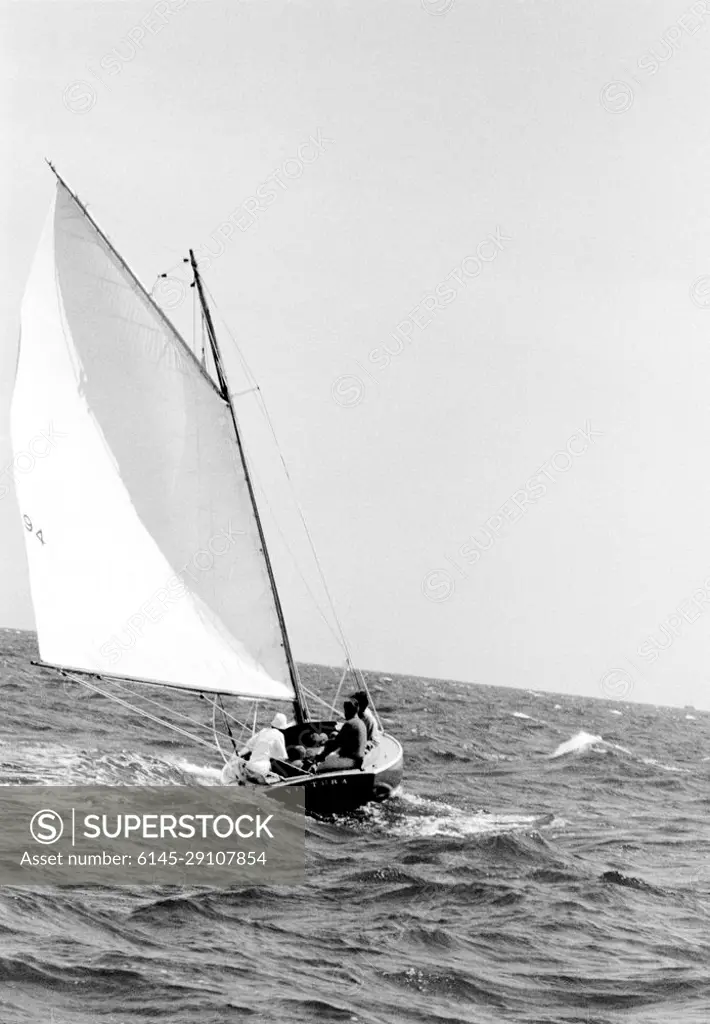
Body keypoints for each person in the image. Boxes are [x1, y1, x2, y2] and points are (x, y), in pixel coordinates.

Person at [314, 699, 367, 773]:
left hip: (351, 761)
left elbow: (335, 744)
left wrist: (320, 757)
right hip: (360, 759)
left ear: (348, 710)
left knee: (318, 767)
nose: (345, 713)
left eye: (345, 710)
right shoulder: (361, 723)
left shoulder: (350, 724)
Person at [235, 712, 289, 783]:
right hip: (262, 769)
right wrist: (272, 754)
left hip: (250, 765)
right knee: (274, 772)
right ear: (282, 727)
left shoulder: (263, 731)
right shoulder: (279, 735)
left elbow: (249, 745)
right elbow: (283, 757)